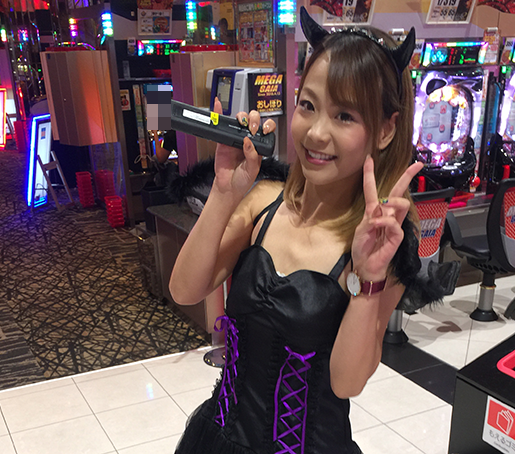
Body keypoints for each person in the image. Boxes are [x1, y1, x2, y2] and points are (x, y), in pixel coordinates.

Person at [169, 7, 427, 453]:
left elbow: (347, 382)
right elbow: (184, 289)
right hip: (220, 438)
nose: (316, 133)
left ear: (386, 129)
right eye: (308, 105)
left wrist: (368, 279)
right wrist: (224, 194)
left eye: (344, 116)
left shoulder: (383, 245)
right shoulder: (262, 204)